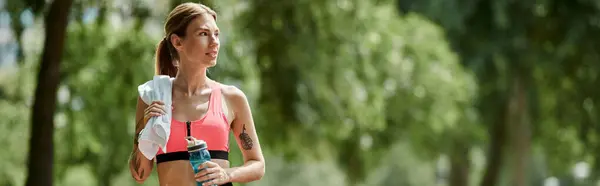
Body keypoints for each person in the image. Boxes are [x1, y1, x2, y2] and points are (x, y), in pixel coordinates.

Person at [128, 3, 265, 186]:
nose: (214, 41)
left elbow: (257, 164)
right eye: (203, 34)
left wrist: (227, 174)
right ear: (178, 42)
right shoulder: (152, 96)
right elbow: (140, 174)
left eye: (216, 34)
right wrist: (143, 129)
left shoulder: (231, 98)